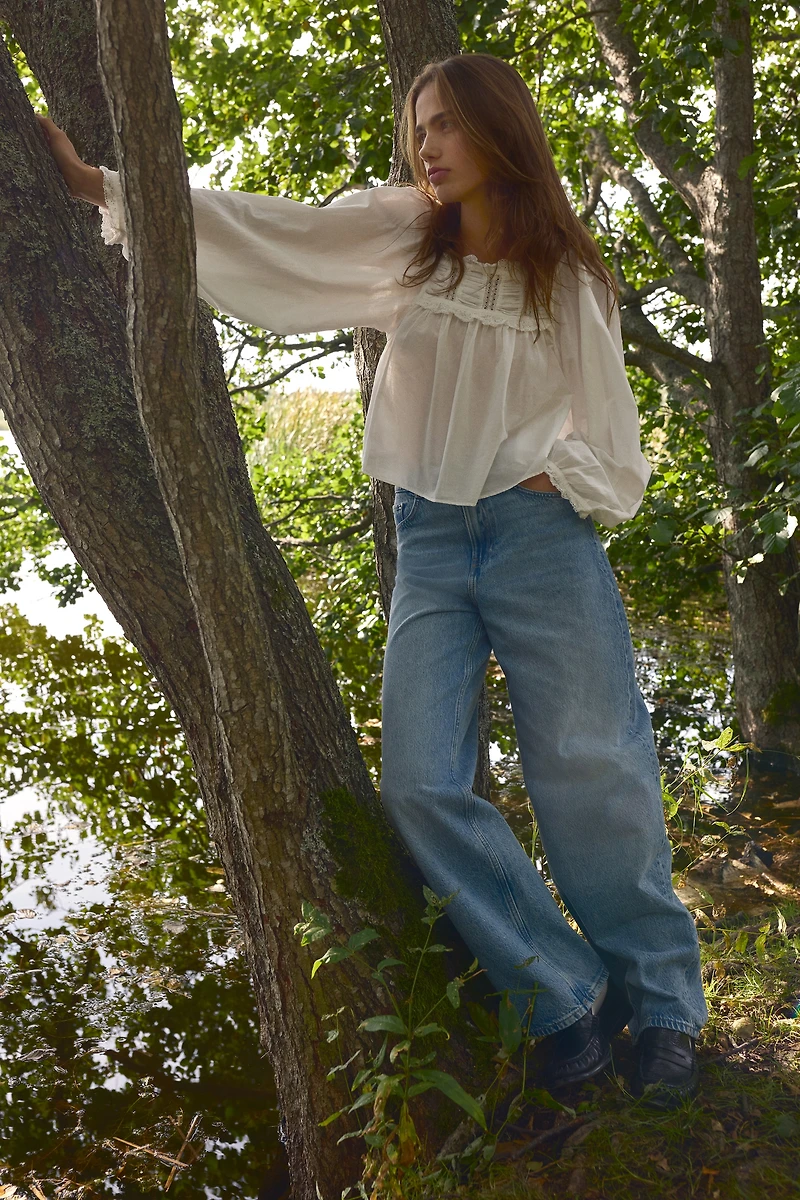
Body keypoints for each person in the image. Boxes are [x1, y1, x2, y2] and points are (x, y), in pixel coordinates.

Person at [38, 51, 706, 1107]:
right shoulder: (404, 237)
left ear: (498, 130)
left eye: (442, 125)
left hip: (540, 538)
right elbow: (270, 229)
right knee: (419, 787)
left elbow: (615, 448)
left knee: (593, 772)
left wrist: (553, 472)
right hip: (431, 541)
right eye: (417, 129)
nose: (424, 148)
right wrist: (99, 185)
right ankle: (564, 995)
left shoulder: (567, 275)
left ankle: (663, 1007)